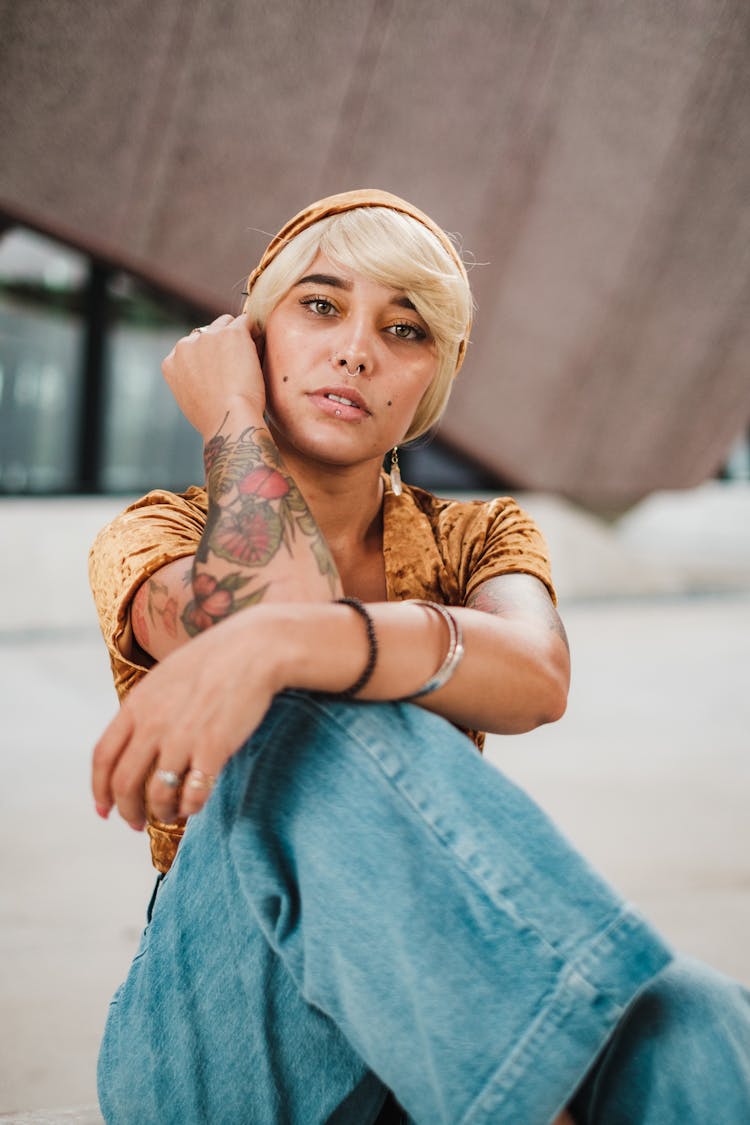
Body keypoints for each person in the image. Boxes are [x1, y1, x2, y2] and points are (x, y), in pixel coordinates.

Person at [89, 189, 750, 1125]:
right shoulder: (160, 534)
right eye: (320, 306)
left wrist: (295, 638)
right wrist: (231, 413)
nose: (357, 348)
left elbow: (535, 673)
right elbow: (272, 604)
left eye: (405, 330)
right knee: (303, 704)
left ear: (430, 382)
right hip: (222, 1030)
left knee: (693, 1016)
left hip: (431, 1019)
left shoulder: (479, 533)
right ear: (256, 334)